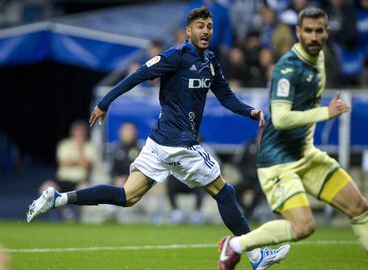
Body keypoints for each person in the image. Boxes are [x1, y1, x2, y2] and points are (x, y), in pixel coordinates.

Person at [27, 6, 289, 270]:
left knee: (126, 196)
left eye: (209, 26)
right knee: (225, 192)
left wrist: (250, 111)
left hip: (159, 142)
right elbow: (139, 74)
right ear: (188, 32)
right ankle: (256, 256)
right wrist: (105, 102)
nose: (206, 31)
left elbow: (226, 97)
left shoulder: (210, 61)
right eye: (200, 26)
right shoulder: (176, 56)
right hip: (178, 144)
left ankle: (58, 198)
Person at [218, 7, 368, 270]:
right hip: (278, 161)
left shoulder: (321, 58)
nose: (314, 36)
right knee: (304, 226)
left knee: (359, 207)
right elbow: (281, 119)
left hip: (305, 153)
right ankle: (235, 246)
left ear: (327, 32)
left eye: (319, 31)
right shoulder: (287, 68)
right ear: (298, 32)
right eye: (308, 30)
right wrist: (325, 113)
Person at [39, 120, 95, 220]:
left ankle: (80, 217)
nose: (79, 135)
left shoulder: (89, 146)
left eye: (82, 133)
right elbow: (63, 163)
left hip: (79, 181)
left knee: (85, 189)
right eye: (77, 132)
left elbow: (87, 165)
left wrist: (80, 150)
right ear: (73, 133)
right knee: (46, 188)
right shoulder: (64, 144)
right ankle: (65, 212)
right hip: (62, 180)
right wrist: (78, 162)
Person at [110, 122, 141, 187]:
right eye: (125, 130)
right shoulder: (116, 149)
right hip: (120, 182)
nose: (128, 133)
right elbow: (112, 171)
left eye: (130, 130)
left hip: (137, 181)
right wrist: (117, 179)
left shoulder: (140, 149)